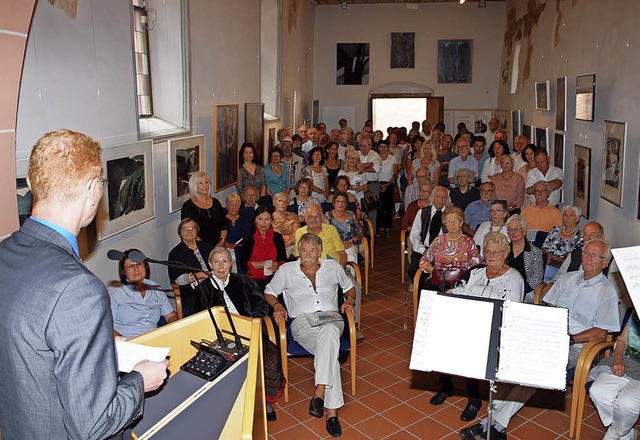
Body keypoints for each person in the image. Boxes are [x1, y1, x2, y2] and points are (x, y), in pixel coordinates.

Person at [0, 129, 168, 439]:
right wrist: (140, 380)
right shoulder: (78, 288)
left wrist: (101, 345)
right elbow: (93, 424)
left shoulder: (4, 253)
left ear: (33, 183)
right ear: (92, 189)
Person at [461, 239, 619, 440]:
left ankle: (493, 425)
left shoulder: (607, 291)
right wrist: (545, 329)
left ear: (605, 263)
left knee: (535, 368)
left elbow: (601, 332)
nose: (588, 259)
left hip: (576, 345)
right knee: (506, 355)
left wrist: (569, 338)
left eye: (595, 256)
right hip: (549, 333)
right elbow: (549, 305)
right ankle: (495, 421)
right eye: (586, 253)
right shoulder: (568, 278)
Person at [264, 233, 356, 437]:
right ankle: (331, 413)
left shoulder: (333, 267)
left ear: (319, 252)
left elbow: (350, 288)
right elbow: (269, 291)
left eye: (312, 250)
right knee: (330, 351)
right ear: (298, 251)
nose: (307, 254)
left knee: (330, 330)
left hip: (332, 318)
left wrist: (349, 301)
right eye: (304, 249)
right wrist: (278, 305)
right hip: (302, 323)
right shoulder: (287, 271)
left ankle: (320, 392)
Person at [435, 232, 524, 420]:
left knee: (471, 345)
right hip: (468, 319)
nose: (491, 256)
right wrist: (448, 295)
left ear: (505, 253)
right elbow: (462, 289)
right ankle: (447, 386)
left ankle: (474, 398)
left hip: (494, 327)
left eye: (496, 252)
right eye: (488, 251)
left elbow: (513, 309)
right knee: (441, 333)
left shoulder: (514, 278)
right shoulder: (476, 272)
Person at [207, 247, 286, 421]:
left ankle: (265, 400)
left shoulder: (241, 280)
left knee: (269, 356)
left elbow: (261, 304)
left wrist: (250, 320)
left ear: (231, 263)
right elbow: (195, 316)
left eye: (225, 261)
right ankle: (235, 406)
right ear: (209, 264)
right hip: (220, 338)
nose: (221, 266)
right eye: (216, 262)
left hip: (249, 330)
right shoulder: (203, 288)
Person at [589, 311, 640, 440]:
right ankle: (626, 433)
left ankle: (613, 435)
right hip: (626, 362)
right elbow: (622, 340)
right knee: (598, 391)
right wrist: (618, 359)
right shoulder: (637, 309)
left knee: (628, 403)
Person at [109, 248, 178, 338]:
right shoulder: (115, 291)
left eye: (139, 265)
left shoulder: (156, 288)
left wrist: (174, 331)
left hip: (155, 338)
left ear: (145, 266)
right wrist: (124, 343)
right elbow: (106, 326)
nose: (136, 269)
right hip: (129, 343)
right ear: (124, 272)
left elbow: (171, 316)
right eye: (130, 267)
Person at [418, 206, 481, 291]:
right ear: (445, 224)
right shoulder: (439, 241)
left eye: (455, 221)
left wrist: (463, 278)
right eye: (449, 221)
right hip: (439, 281)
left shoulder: (469, 242)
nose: (452, 224)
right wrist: (435, 272)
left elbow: (476, 266)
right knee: (425, 294)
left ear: (461, 222)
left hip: (461, 282)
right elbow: (423, 261)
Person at [168, 218, 215, 316]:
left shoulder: (207, 246)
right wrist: (197, 276)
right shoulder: (175, 253)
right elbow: (178, 280)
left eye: (192, 228)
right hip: (193, 292)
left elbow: (217, 264)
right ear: (180, 233)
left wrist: (211, 276)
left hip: (213, 283)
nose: (189, 231)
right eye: (185, 228)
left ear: (196, 231)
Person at [239, 205, 287, 293]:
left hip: (275, 275)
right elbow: (244, 264)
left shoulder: (277, 237)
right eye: (260, 219)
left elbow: (283, 260)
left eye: (267, 219)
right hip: (254, 278)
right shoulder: (248, 238)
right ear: (255, 220)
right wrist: (264, 264)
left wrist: (276, 265)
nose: (263, 223)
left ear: (271, 221)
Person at [408, 185, 449, 281]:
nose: (441, 200)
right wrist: (423, 250)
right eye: (438, 196)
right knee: (413, 270)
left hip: (442, 251)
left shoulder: (450, 214)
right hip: (423, 248)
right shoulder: (422, 212)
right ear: (432, 197)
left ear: (447, 199)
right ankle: (420, 292)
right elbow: (414, 235)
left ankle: (433, 289)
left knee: (441, 273)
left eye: (444, 197)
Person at [181, 171, 228, 247]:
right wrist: (206, 248)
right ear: (194, 186)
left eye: (206, 182)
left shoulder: (215, 202)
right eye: (201, 183)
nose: (205, 186)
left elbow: (224, 226)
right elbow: (189, 232)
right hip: (198, 247)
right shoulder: (188, 206)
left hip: (219, 246)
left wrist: (222, 242)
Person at [505, 214, 544, 302]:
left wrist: (519, 290)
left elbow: (536, 279)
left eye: (516, 229)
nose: (513, 232)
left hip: (526, 291)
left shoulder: (535, 252)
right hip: (503, 286)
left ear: (524, 231)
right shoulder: (503, 249)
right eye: (510, 230)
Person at [541, 204, 584, 282]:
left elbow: (574, 260)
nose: (567, 218)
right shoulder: (555, 230)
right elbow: (544, 247)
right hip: (547, 262)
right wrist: (547, 255)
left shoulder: (579, 237)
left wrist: (556, 258)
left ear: (577, 219)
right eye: (565, 215)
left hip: (562, 268)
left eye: (571, 215)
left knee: (543, 271)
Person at [324, 191, 364, 264]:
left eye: (343, 202)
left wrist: (351, 241)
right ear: (334, 203)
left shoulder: (351, 214)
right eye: (338, 201)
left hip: (350, 245)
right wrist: (340, 244)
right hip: (333, 246)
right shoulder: (327, 216)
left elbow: (360, 232)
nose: (340, 203)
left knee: (351, 257)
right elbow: (325, 235)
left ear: (346, 204)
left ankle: (349, 275)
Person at [223, 192, 252, 271]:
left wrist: (240, 246)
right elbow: (217, 239)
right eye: (232, 205)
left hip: (240, 249)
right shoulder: (221, 221)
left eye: (237, 205)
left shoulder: (244, 221)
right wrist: (228, 245)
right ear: (227, 206)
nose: (234, 208)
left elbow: (248, 238)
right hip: (225, 249)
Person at [377, 141, 398, 237]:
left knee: (388, 207)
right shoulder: (375, 158)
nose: (383, 149)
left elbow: (395, 173)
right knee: (379, 207)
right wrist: (379, 185)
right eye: (381, 146)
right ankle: (380, 227)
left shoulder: (392, 158)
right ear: (378, 148)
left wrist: (387, 184)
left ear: (388, 148)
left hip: (389, 184)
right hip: (377, 184)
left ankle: (388, 227)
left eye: (385, 146)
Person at [271, 191, 301, 257]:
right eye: (280, 201)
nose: (282, 203)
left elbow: (297, 233)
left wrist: (290, 243)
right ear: (274, 202)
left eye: (285, 202)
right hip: (275, 245)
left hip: (292, 246)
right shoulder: (270, 217)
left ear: (288, 204)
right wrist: (282, 244)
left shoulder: (293, 216)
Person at [517, 144, 538, 209]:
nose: (529, 156)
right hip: (524, 201)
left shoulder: (540, 168)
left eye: (532, 153)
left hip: (536, 200)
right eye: (527, 154)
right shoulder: (521, 170)